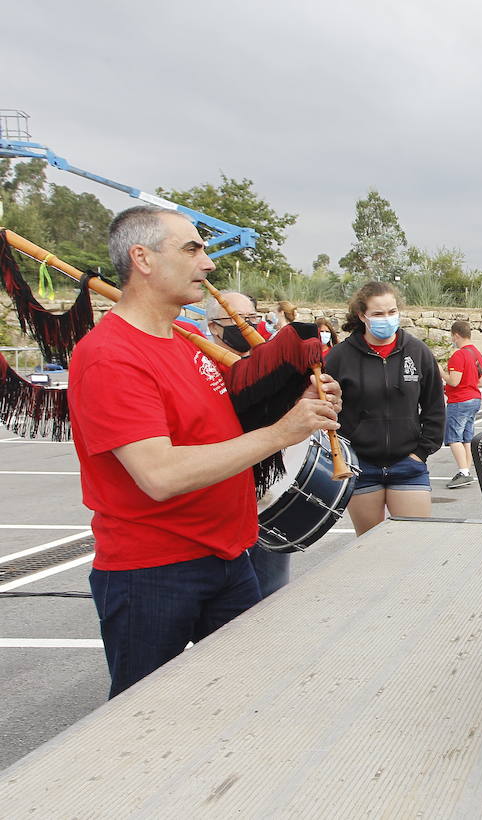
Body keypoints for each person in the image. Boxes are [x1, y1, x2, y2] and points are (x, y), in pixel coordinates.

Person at [68, 207, 341, 697]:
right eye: (192, 249)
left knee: (241, 702)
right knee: (143, 720)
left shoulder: (185, 342)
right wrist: (281, 433)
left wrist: (301, 406)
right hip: (152, 573)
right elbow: (160, 475)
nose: (208, 263)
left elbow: (220, 430)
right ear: (142, 258)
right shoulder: (110, 356)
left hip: (230, 557)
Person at [324, 281, 445, 534]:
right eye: (378, 314)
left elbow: (435, 407)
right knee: (369, 549)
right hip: (361, 466)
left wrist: (421, 452)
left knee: (414, 546)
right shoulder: (339, 357)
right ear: (362, 315)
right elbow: (325, 410)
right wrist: (346, 454)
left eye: (392, 312)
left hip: (408, 465)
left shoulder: (419, 352)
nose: (386, 319)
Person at [206, 290, 293, 597]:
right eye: (238, 319)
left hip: (266, 490)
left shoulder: (267, 361)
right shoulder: (203, 367)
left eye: (253, 318)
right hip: (222, 494)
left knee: (272, 588)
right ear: (214, 327)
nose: (248, 326)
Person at [440, 319, 482, 488]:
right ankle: (467, 470)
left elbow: (454, 381)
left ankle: (463, 472)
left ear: (456, 335)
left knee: (454, 438)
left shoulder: (459, 355)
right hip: (475, 398)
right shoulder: (477, 354)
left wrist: (441, 373)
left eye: (452, 337)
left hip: (460, 399)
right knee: (467, 437)